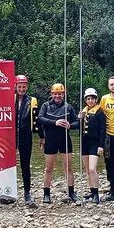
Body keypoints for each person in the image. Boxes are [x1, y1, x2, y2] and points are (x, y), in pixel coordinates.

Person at [37, 83, 80, 204]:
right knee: (49, 168)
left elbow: (77, 122)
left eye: (60, 94)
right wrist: (54, 122)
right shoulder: (46, 106)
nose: (58, 96)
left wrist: (70, 125)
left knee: (68, 167)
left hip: (65, 140)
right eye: (55, 94)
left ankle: (71, 192)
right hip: (50, 140)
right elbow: (40, 119)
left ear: (63, 94)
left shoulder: (68, 107)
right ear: (51, 94)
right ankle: (46, 193)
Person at [14, 74, 42, 205]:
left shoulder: (32, 100)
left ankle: (27, 192)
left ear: (27, 87)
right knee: (8, 164)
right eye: (19, 86)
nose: (21, 89)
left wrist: (41, 137)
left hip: (26, 136)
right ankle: (7, 190)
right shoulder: (9, 97)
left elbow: (37, 121)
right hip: (11, 136)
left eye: (24, 87)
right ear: (15, 86)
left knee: (25, 165)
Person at [78, 88, 105, 204]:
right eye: (88, 99)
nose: (90, 101)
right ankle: (91, 189)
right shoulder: (83, 112)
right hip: (84, 142)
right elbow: (78, 125)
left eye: (92, 99)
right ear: (85, 100)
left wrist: (101, 145)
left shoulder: (100, 112)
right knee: (87, 170)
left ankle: (96, 194)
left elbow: (103, 130)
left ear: (96, 99)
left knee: (92, 169)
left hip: (95, 143)